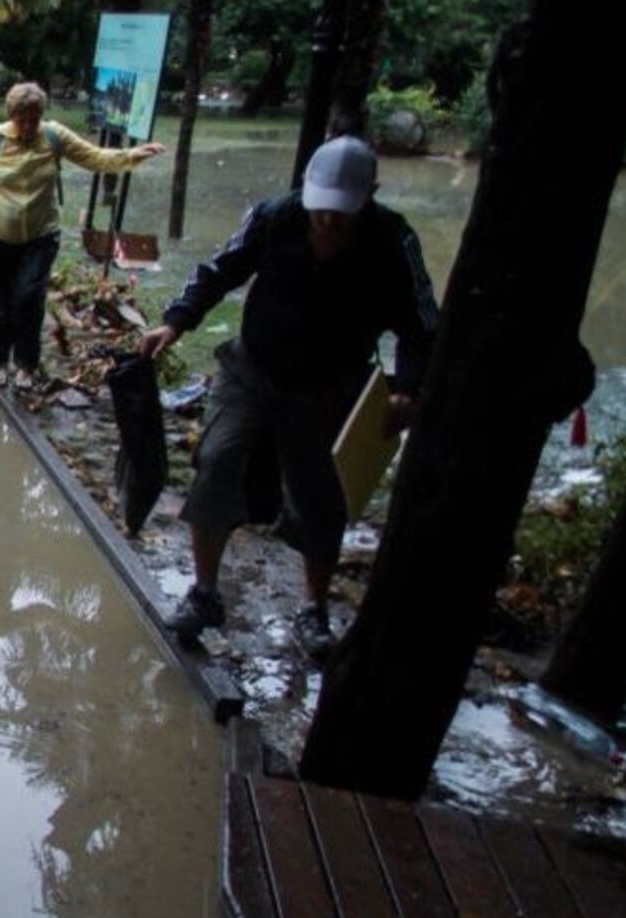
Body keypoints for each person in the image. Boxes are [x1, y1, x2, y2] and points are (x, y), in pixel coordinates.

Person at [139, 135, 438, 662]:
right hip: (252, 366)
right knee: (217, 459)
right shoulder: (275, 216)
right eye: (320, 211)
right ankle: (204, 593)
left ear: (370, 197)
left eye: (340, 216)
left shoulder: (393, 241)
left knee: (322, 495)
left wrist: (408, 389)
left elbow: (420, 324)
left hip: (332, 385)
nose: (327, 223)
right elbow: (221, 269)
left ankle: (313, 609)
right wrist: (176, 321)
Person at [0, 82, 164, 388]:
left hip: (41, 235)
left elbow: (94, 157)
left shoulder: (54, 135)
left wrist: (132, 155)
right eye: (23, 119)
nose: (29, 125)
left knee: (29, 297)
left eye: (34, 118)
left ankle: (27, 365)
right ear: (12, 116)